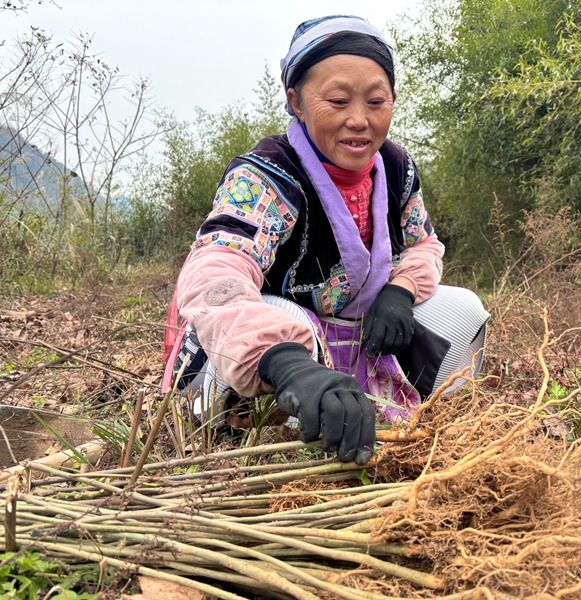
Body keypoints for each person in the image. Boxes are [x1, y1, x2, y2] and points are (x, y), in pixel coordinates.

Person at [162, 15, 489, 466]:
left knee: (463, 309)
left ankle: (428, 428)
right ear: (296, 101)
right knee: (283, 315)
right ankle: (273, 446)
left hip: (353, 334)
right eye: (337, 100)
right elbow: (214, 272)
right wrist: (283, 360)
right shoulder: (268, 173)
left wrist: (400, 290)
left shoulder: (395, 167)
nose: (359, 120)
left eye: (377, 101)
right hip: (273, 350)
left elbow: (423, 244)